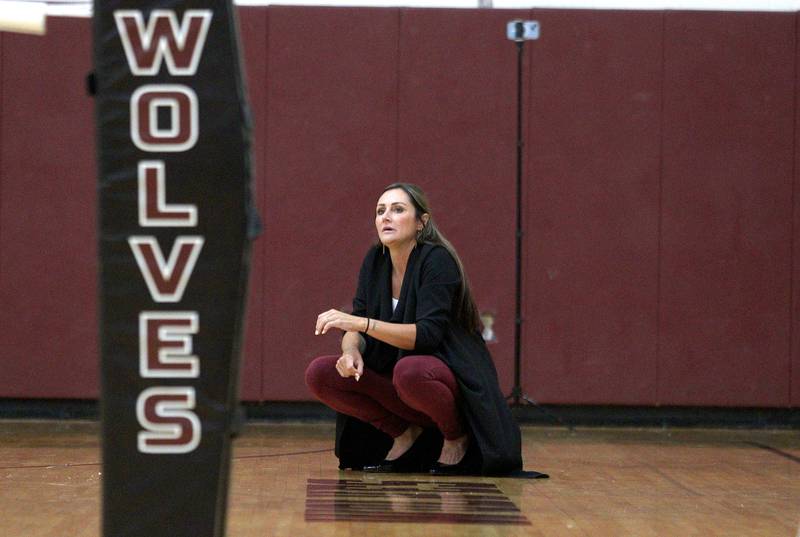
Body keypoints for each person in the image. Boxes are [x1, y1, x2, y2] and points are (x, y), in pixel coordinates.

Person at [305, 183, 522, 475]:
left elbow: (426, 335)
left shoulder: (437, 261)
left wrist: (362, 324)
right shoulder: (374, 261)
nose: (386, 217)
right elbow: (357, 319)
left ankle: (455, 436)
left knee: (410, 371)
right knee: (321, 374)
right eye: (380, 211)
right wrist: (350, 350)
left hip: (441, 375)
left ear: (422, 222)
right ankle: (404, 433)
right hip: (397, 384)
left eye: (397, 209)